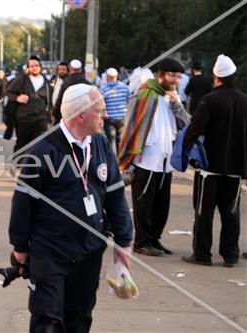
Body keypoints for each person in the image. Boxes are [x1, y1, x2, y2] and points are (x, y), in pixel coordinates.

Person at [9, 83, 133, 333]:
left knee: (80, 316)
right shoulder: (42, 150)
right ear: (81, 114)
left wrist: (124, 240)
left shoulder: (100, 145)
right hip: (51, 251)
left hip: (89, 250)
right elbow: (23, 201)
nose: (105, 115)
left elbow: (116, 195)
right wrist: (20, 246)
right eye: (100, 110)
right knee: (47, 317)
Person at [118, 58, 190, 256]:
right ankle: (142, 241)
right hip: (146, 159)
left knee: (161, 205)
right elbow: (131, 126)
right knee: (144, 203)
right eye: (172, 75)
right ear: (161, 75)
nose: (175, 80)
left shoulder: (171, 98)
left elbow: (186, 125)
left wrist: (177, 104)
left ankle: (154, 239)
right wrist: (128, 156)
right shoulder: (144, 95)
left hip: (166, 161)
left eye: (178, 77)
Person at [182, 55, 247, 267]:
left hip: (209, 168)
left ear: (217, 78)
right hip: (236, 168)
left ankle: (202, 254)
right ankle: (230, 255)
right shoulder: (244, 100)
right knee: (231, 213)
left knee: (204, 212)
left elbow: (194, 129)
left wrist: (184, 151)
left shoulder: (209, 100)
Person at [7, 56, 52, 161]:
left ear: (40, 67)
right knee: (22, 142)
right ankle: (17, 163)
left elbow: (50, 100)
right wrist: (18, 97)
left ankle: (35, 166)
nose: (34, 68)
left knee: (40, 143)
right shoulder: (21, 80)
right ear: (28, 68)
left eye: (36, 65)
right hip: (24, 117)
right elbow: (9, 92)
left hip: (41, 118)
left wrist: (50, 114)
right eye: (31, 66)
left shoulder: (46, 82)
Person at [100, 68, 131, 154]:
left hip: (110, 119)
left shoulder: (103, 90)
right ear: (117, 76)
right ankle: (122, 161)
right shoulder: (125, 88)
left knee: (111, 142)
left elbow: (101, 106)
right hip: (122, 118)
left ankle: (114, 162)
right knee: (121, 141)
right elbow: (130, 101)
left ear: (107, 77)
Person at [52, 59, 91, 124]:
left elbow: (60, 99)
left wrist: (54, 113)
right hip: (82, 115)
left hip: (66, 114)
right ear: (81, 70)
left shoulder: (66, 83)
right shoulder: (87, 83)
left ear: (70, 69)